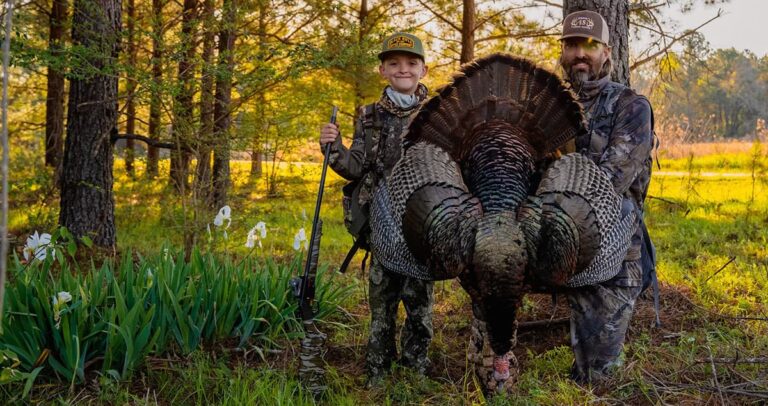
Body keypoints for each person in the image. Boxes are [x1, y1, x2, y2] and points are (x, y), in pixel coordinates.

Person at [319, 32, 433, 385]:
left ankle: (415, 370)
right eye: (394, 63)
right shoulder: (369, 116)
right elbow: (356, 167)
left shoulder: (437, 114)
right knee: (382, 303)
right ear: (383, 70)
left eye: (411, 63)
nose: (403, 69)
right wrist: (332, 147)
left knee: (420, 305)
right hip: (382, 223)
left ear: (423, 70)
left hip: (421, 224)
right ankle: (378, 370)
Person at [558, 10, 654, 383]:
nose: (580, 53)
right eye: (572, 45)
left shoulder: (631, 106)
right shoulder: (550, 105)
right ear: (563, 52)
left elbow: (611, 179)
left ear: (607, 52)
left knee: (596, 376)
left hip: (614, 251)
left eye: (590, 45)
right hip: (564, 245)